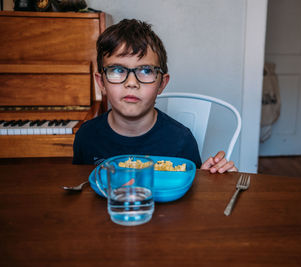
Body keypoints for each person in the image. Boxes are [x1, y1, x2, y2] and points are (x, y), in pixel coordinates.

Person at [73, 18, 237, 173]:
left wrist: (207, 179)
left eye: (146, 71)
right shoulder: (86, 137)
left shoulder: (181, 140)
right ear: (101, 82)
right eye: (117, 70)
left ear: (162, 84)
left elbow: (191, 192)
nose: (131, 82)